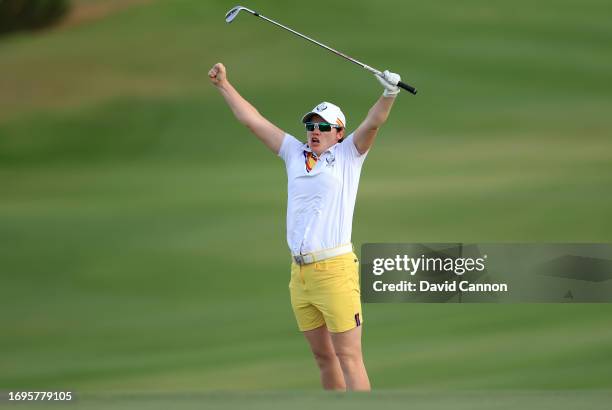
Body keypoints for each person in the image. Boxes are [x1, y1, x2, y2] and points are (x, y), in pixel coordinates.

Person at [208, 62, 400, 391]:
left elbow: (373, 123)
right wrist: (224, 85)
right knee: (324, 358)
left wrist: (389, 93)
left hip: (335, 270)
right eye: (311, 124)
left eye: (324, 127)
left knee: (349, 357)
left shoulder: (348, 155)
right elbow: (253, 120)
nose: (315, 130)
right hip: (301, 276)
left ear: (339, 132)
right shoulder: (294, 153)